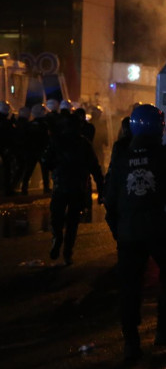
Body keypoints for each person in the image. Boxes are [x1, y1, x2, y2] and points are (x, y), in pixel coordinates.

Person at [103, 104, 166, 363]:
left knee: (130, 289)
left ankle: (131, 343)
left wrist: (117, 230)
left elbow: (110, 198)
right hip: (161, 232)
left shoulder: (120, 156)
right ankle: (162, 330)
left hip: (129, 234)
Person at [42, 112, 104, 265]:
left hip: (61, 187)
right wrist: (101, 189)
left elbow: (46, 162)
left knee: (57, 218)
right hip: (78, 188)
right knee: (72, 222)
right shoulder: (84, 143)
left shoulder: (57, 141)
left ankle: (58, 239)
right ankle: (67, 251)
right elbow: (95, 168)